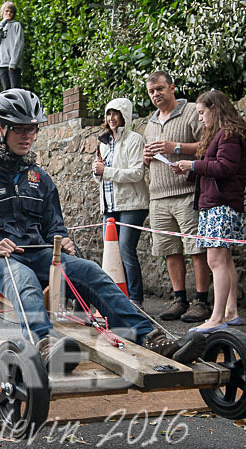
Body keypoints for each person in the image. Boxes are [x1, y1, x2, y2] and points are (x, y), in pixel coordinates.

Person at [0, 88, 205, 363]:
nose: (28, 136)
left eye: (32, 129)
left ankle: (151, 338)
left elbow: (53, 223)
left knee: (90, 271)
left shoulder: (38, 177)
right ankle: (43, 346)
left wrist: (61, 238)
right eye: (20, 129)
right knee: (25, 281)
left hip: (38, 252)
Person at [174, 89, 246, 333]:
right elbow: (215, 168)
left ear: (216, 109)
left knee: (216, 260)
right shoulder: (224, 135)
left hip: (221, 205)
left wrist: (193, 164)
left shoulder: (229, 136)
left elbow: (225, 167)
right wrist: (191, 171)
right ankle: (230, 312)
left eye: (202, 112)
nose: (200, 118)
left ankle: (217, 317)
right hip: (219, 203)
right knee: (225, 259)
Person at [142, 71, 212, 323]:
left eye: (160, 89)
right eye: (151, 91)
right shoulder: (150, 123)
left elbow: (208, 145)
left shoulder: (192, 111)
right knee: (169, 250)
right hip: (159, 196)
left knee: (196, 249)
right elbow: (146, 160)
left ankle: (202, 301)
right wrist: (146, 158)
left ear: (173, 88)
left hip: (187, 192)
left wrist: (177, 148)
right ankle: (179, 299)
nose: (155, 94)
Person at [92, 97, 149, 307]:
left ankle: (136, 299)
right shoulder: (104, 142)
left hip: (132, 204)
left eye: (115, 113)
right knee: (111, 254)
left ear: (124, 115)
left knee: (126, 249)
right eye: (108, 113)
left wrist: (105, 171)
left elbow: (137, 173)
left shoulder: (135, 139)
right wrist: (97, 171)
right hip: (109, 205)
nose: (111, 118)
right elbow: (99, 173)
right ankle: (117, 298)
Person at [0, 2, 24, 90]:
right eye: (6, 11)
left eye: (11, 12)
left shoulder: (16, 25)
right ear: (2, 13)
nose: (8, 13)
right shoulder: (0, 26)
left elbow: (19, 44)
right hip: (2, 63)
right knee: (6, 90)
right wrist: (3, 23)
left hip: (13, 64)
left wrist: (13, 62)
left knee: (15, 89)